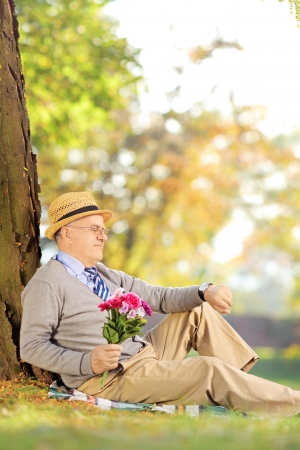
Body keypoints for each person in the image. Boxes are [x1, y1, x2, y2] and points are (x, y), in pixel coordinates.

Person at [20, 191, 300, 417]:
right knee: (207, 369)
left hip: (143, 354)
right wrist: (86, 362)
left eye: (103, 230)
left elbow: (160, 297)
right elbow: (31, 346)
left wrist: (205, 291)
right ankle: (292, 404)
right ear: (67, 233)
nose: (103, 236)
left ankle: (243, 388)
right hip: (111, 378)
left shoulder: (104, 273)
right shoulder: (47, 283)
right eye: (94, 229)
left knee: (197, 312)